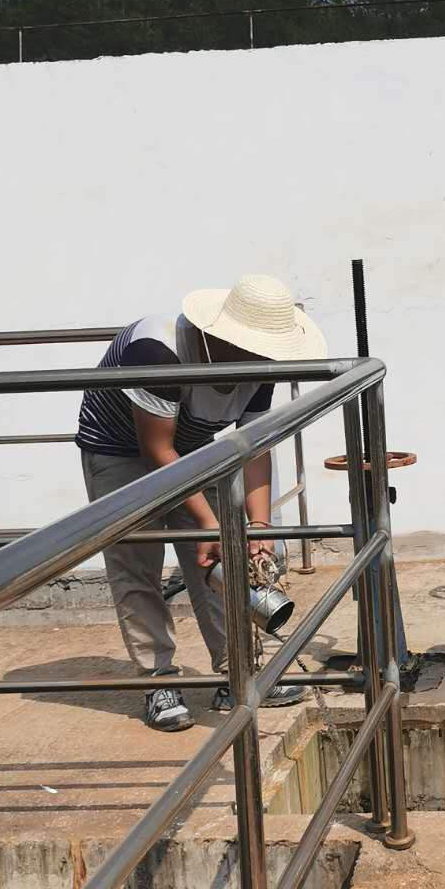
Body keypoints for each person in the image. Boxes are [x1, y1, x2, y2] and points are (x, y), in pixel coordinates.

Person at [76, 274, 328, 731]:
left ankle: (236, 671)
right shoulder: (157, 350)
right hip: (121, 449)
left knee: (225, 556)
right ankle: (157, 681)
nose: (261, 355)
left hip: (190, 448)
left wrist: (259, 528)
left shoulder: (259, 366)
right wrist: (209, 524)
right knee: (138, 562)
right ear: (220, 334)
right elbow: (157, 450)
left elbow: (254, 447)